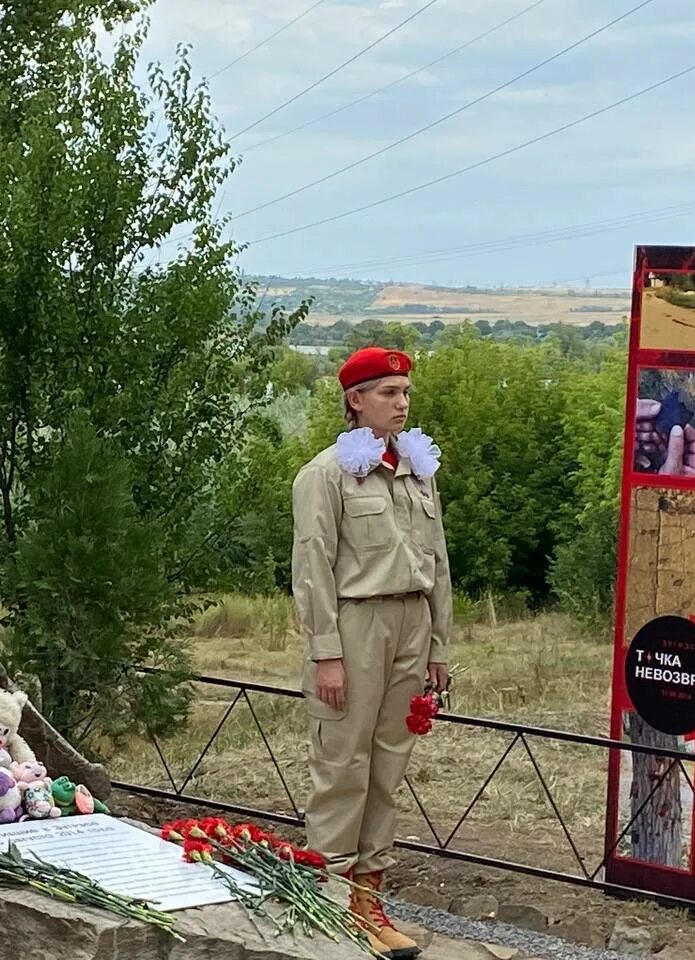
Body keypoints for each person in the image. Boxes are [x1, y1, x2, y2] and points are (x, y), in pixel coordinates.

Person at [291, 345, 452, 959]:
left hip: (412, 624)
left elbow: (437, 563)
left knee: (389, 766)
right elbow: (312, 570)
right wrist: (325, 654)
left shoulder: (417, 468)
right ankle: (329, 904)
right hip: (355, 627)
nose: (401, 403)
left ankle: (369, 900)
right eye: (388, 392)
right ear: (355, 400)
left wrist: (439, 643)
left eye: (405, 392)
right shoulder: (326, 474)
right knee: (342, 765)